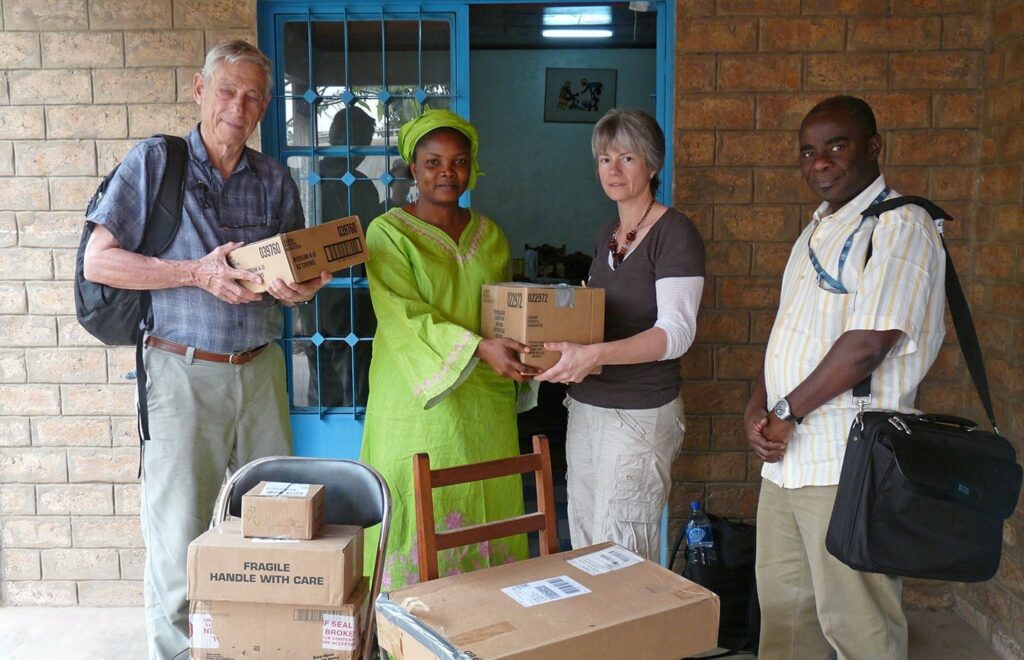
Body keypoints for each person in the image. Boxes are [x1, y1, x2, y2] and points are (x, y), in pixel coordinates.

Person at [82, 40, 331, 660]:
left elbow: (294, 269)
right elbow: (101, 261)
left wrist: (303, 284)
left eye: (252, 97)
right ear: (200, 91)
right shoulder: (154, 163)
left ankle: (269, 648)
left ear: (266, 106)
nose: (238, 107)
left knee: (279, 533)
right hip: (180, 373)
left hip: (262, 371)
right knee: (179, 544)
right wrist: (196, 273)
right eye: (227, 91)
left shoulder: (274, 179)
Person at [744, 95, 946, 659]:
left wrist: (786, 413)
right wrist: (757, 406)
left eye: (837, 145)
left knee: (859, 627)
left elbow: (866, 346)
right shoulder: (815, 230)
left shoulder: (902, 226)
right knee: (787, 620)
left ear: (873, 147)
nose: (820, 161)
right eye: (808, 151)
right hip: (787, 468)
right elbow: (787, 334)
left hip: (848, 462)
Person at [359, 109, 536, 590]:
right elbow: (404, 314)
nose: (447, 172)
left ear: (472, 167)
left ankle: (487, 625)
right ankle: (408, 631)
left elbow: (501, 310)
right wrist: (480, 348)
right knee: (418, 506)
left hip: (483, 401)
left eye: (459, 161)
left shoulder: (491, 234)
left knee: (487, 496)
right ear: (412, 168)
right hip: (415, 401)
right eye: (433, 161)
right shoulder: (387, 233)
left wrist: (528, 347)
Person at [536, 108, 705, 562]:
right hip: (587, 406)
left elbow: (677, 333)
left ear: (652, 165)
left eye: (627, 158)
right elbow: (596, 316)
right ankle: (597, 632)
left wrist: (594, 355)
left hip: (639, 411)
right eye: (604, 159)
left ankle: (633, 634)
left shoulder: (675, 233)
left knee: (623, 546)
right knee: (588, 533)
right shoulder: (607, 234)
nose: (613, 170)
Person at [300, 106, 383, 409]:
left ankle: (322, 449)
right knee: (355, 383)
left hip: (312, 298)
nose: (362, 152)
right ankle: (354, 449)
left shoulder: (307, 178)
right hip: (352, 294)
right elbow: (372, 237)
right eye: (363, 140)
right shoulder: (358, 185)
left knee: (320, 382)